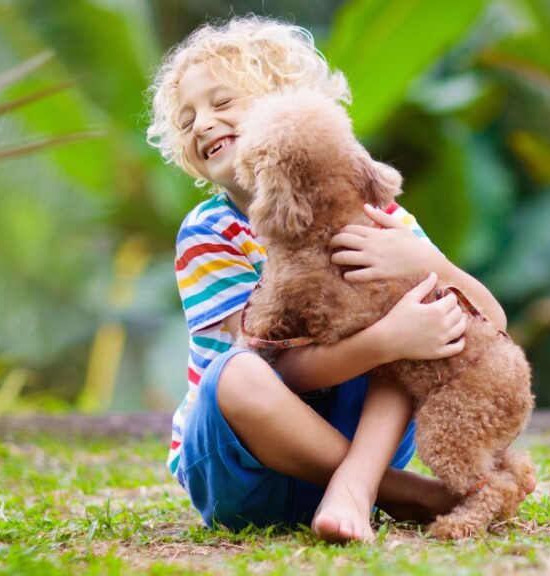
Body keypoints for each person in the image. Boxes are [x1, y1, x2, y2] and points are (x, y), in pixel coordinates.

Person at [146, 16, 520, 542]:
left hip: (361, 444)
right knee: (240, 372)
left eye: (222, 102)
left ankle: (357, 484)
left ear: (288, 105)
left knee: (421, 330)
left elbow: (491, 323)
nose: (203, 124)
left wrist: (426, 265)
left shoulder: (374, 212)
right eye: (187, 121)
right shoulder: (210, 233)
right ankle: (398, 492)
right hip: (242, 466)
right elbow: (276, 371)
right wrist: (386, 339)